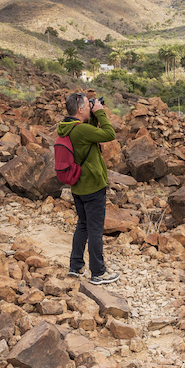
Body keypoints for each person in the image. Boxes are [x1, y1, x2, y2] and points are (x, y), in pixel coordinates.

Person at [57, 92, 119, 284]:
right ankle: (98, 273)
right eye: (88, 105)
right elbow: (110, 133)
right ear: (81, 109)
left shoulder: (68, 128)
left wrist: (92, 115)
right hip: (92, 187)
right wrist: (100, 112)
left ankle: (75, 266)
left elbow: (88, 137)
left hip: (78, 187)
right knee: (95, 229)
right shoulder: (81, 131)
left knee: (83, 225)